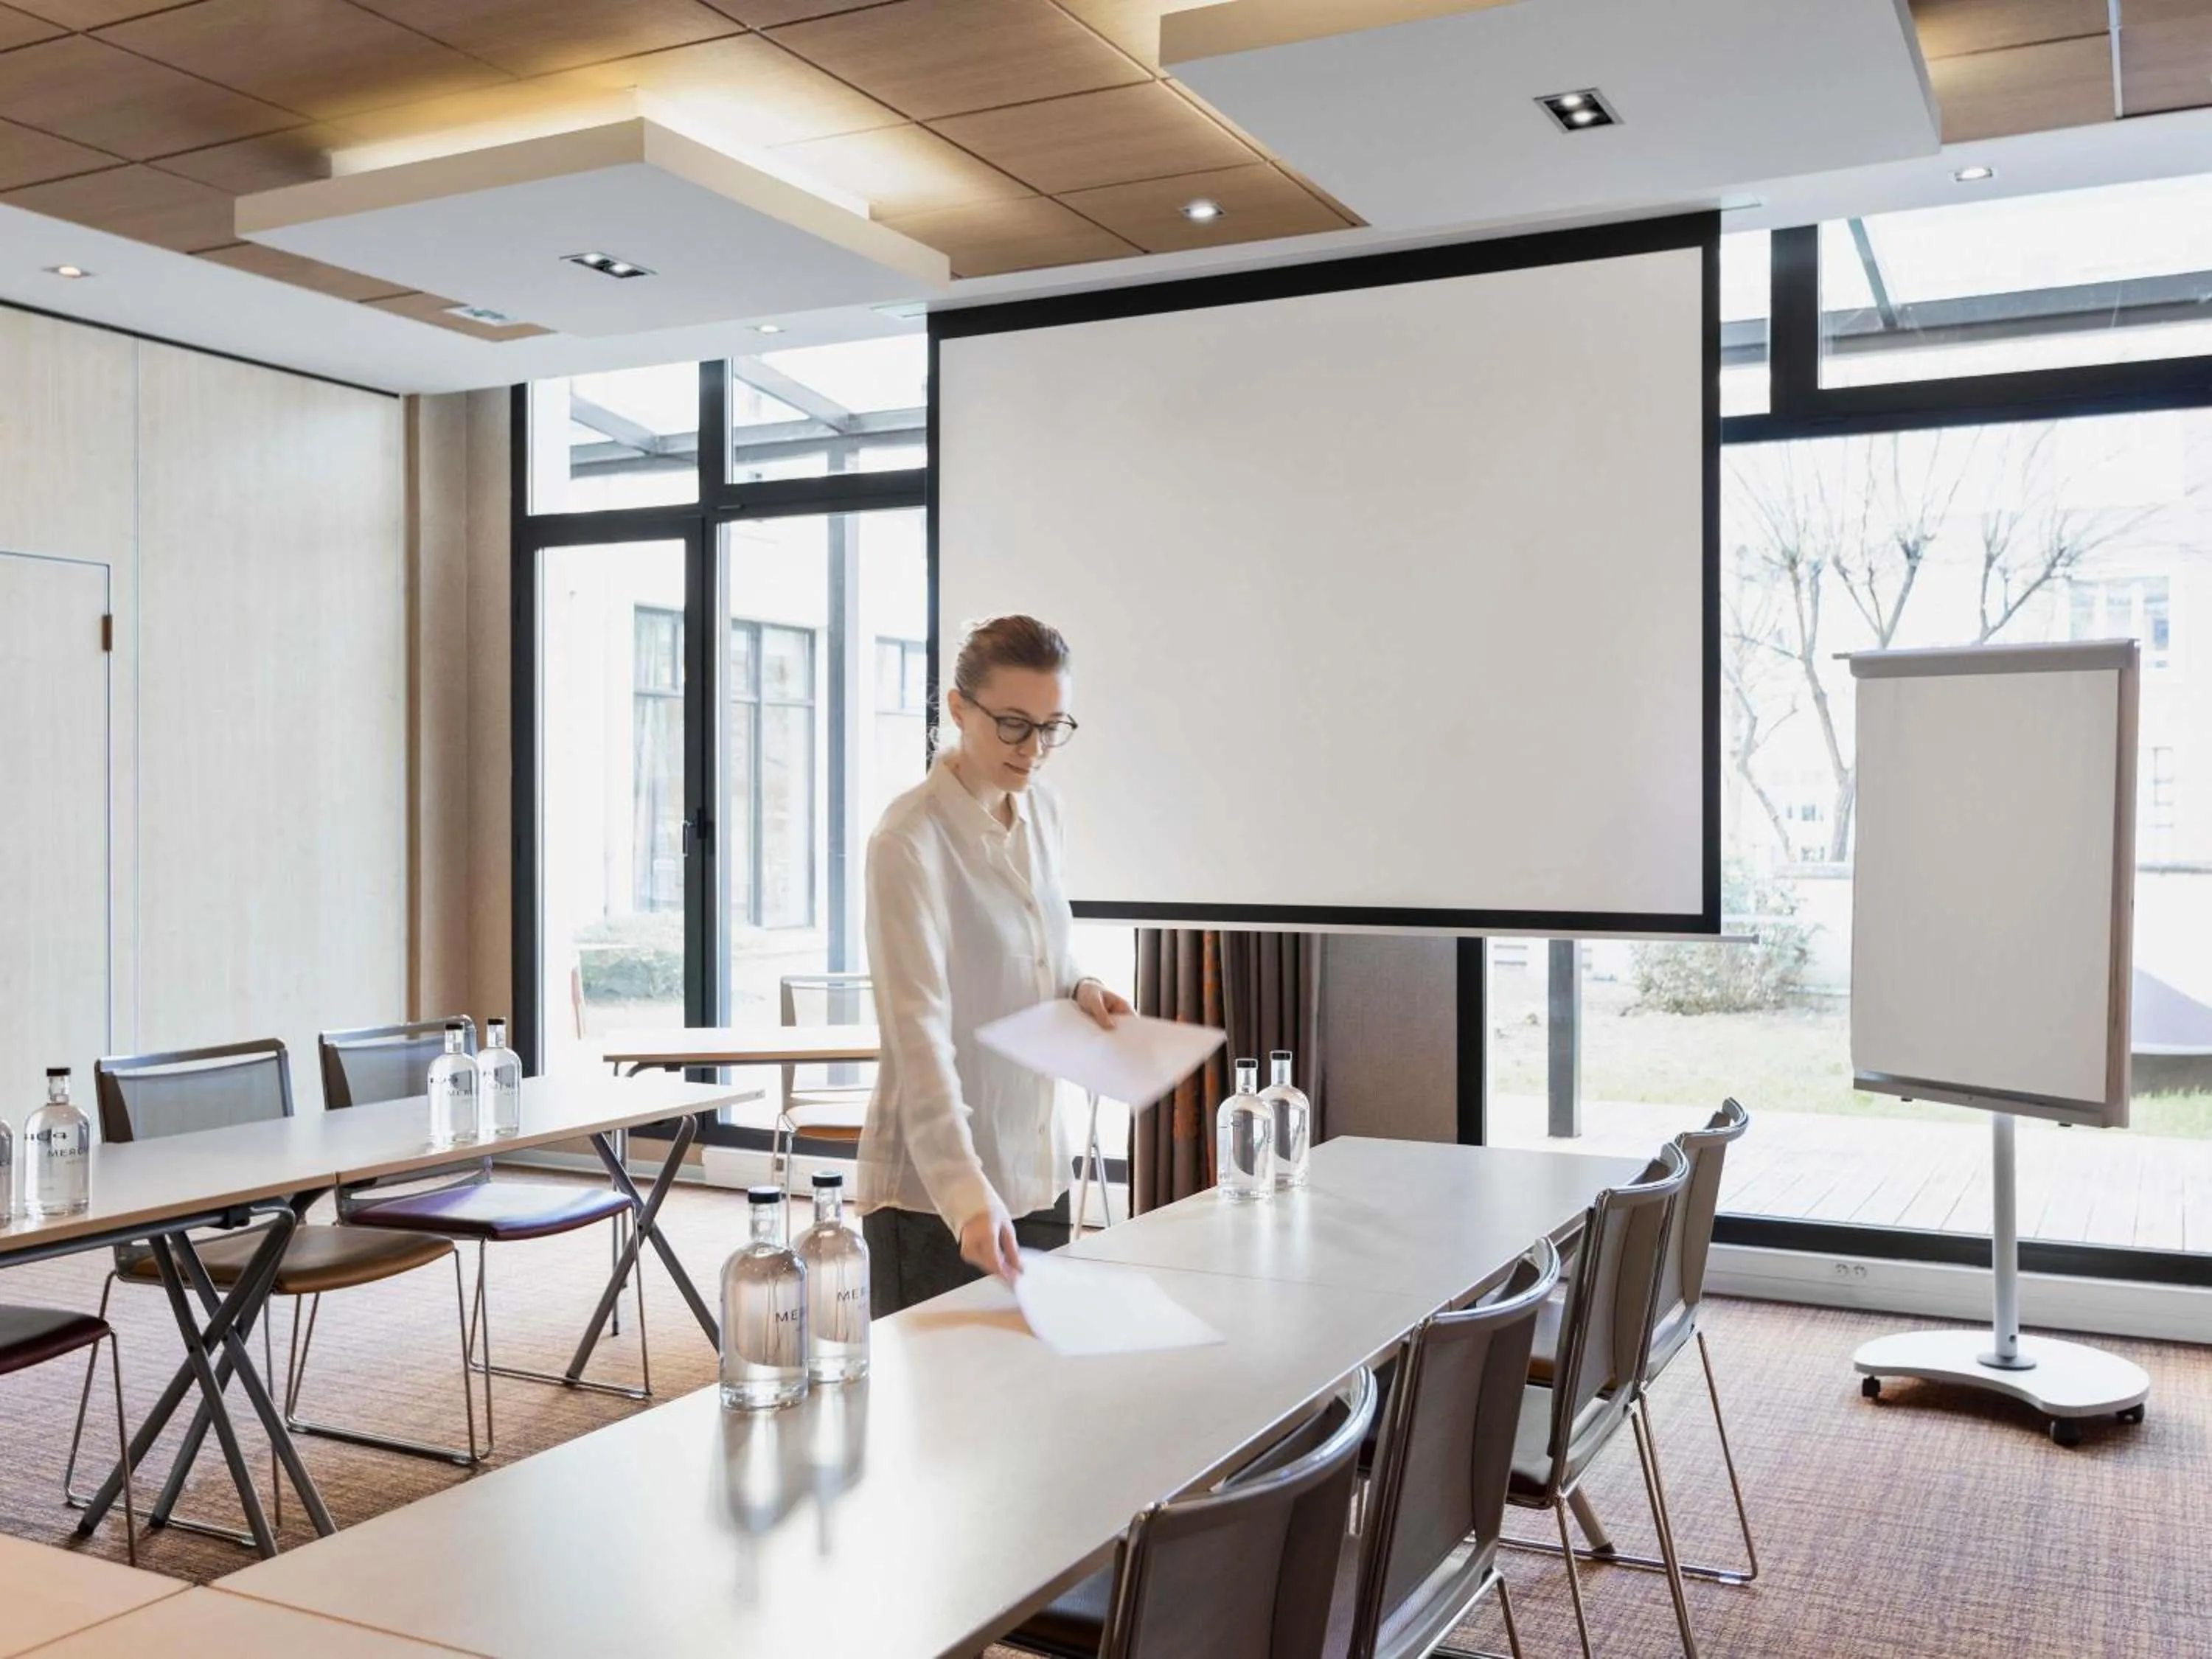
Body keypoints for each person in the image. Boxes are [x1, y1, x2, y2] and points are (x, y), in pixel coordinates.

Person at [856, 614, 1132, 1315]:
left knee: (1033, 1409)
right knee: (940, 1418)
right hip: (936, 1197)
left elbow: (1047, 949)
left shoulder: (1045, 813)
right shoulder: (908, 843)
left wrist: (1084, 988)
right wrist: (966, 1196)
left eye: (1052, 726)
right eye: (1013, 723)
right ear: (957, 708)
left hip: (1036, 1169)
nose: (1034, 748)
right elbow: (916, 1041)